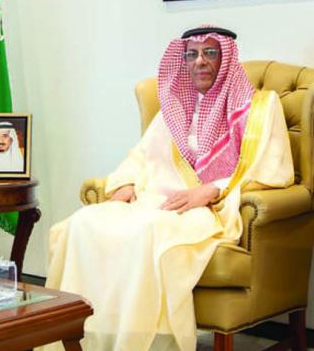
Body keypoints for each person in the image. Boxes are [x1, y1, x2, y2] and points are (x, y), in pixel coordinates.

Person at [45, 26, 293, 351]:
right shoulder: (175, 107)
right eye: (192, 54)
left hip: (208, 210)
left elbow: (271, 168)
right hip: (156, 201)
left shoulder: (259, 107)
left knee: (149, 231)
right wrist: (125, 182)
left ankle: (137, 343)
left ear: (227, 58)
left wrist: (213, 190)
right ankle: (84, 340)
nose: (200, 61)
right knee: (82, 223)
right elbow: (141, 154)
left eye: (210, 52)